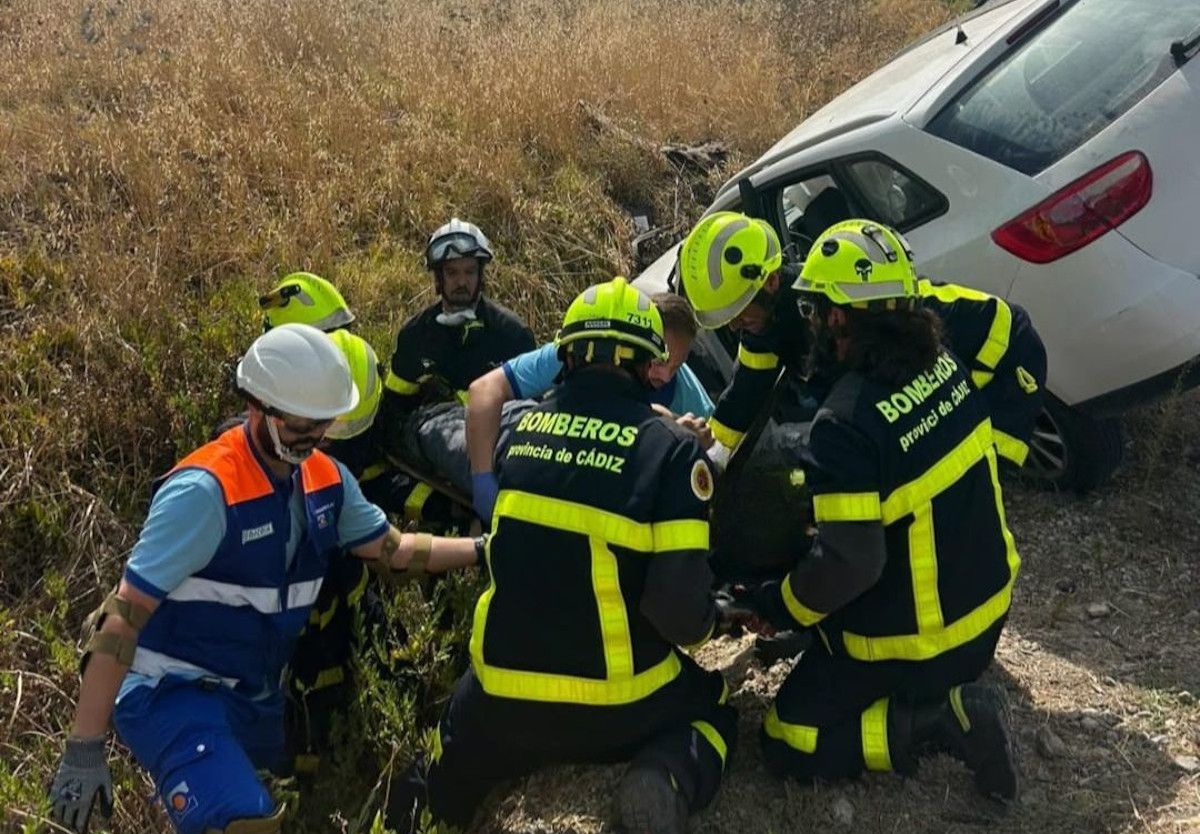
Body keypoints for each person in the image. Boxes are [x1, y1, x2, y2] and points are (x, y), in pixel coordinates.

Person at [48, 324, 482, 834]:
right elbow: (123, 616)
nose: (315, 437)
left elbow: (396, 551)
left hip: (253, 697)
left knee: (276, 801)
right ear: (259, 406)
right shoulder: (205, 493)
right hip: (170, 689)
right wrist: (83, 747)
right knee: (243, 822)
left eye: (323, 424)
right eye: (302, 424)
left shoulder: (326, 480)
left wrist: (485, 550)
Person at [384, 278, 736, 834]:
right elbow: (679, 614)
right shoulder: (670, 456)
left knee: (436, 775)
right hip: (621, 704)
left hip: (500, 696)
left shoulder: (519, 434)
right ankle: (664, 775)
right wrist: (715, 617)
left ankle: (397, 821)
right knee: (713, 707)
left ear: (564, 355)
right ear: (649, 365)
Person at [735, 220, 1021, 798]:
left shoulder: (847, 422)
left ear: (838, 317)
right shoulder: (945, 364)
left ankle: (937, 722)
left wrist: (782, 604)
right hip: (989, 616)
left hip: (929, 647)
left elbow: (852, 564)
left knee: (787, 737)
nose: (812, 323)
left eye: (816, 311)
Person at [465, 291, 714, 522]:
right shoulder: (578, 352)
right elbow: (485, 391)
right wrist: (483, 480)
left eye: (677, 366)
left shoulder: (684, 389)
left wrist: (694, 441)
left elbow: (711, 440)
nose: (666, 377)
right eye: (661, 360)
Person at [382, 218, 536, 414]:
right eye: (452, 272)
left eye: (470, 272)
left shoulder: (513, 335)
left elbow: (533, 412)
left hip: (497, 442)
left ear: (481, 276)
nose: (461, 281)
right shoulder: (414, 336)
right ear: (438, 277)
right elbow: (393, 412)